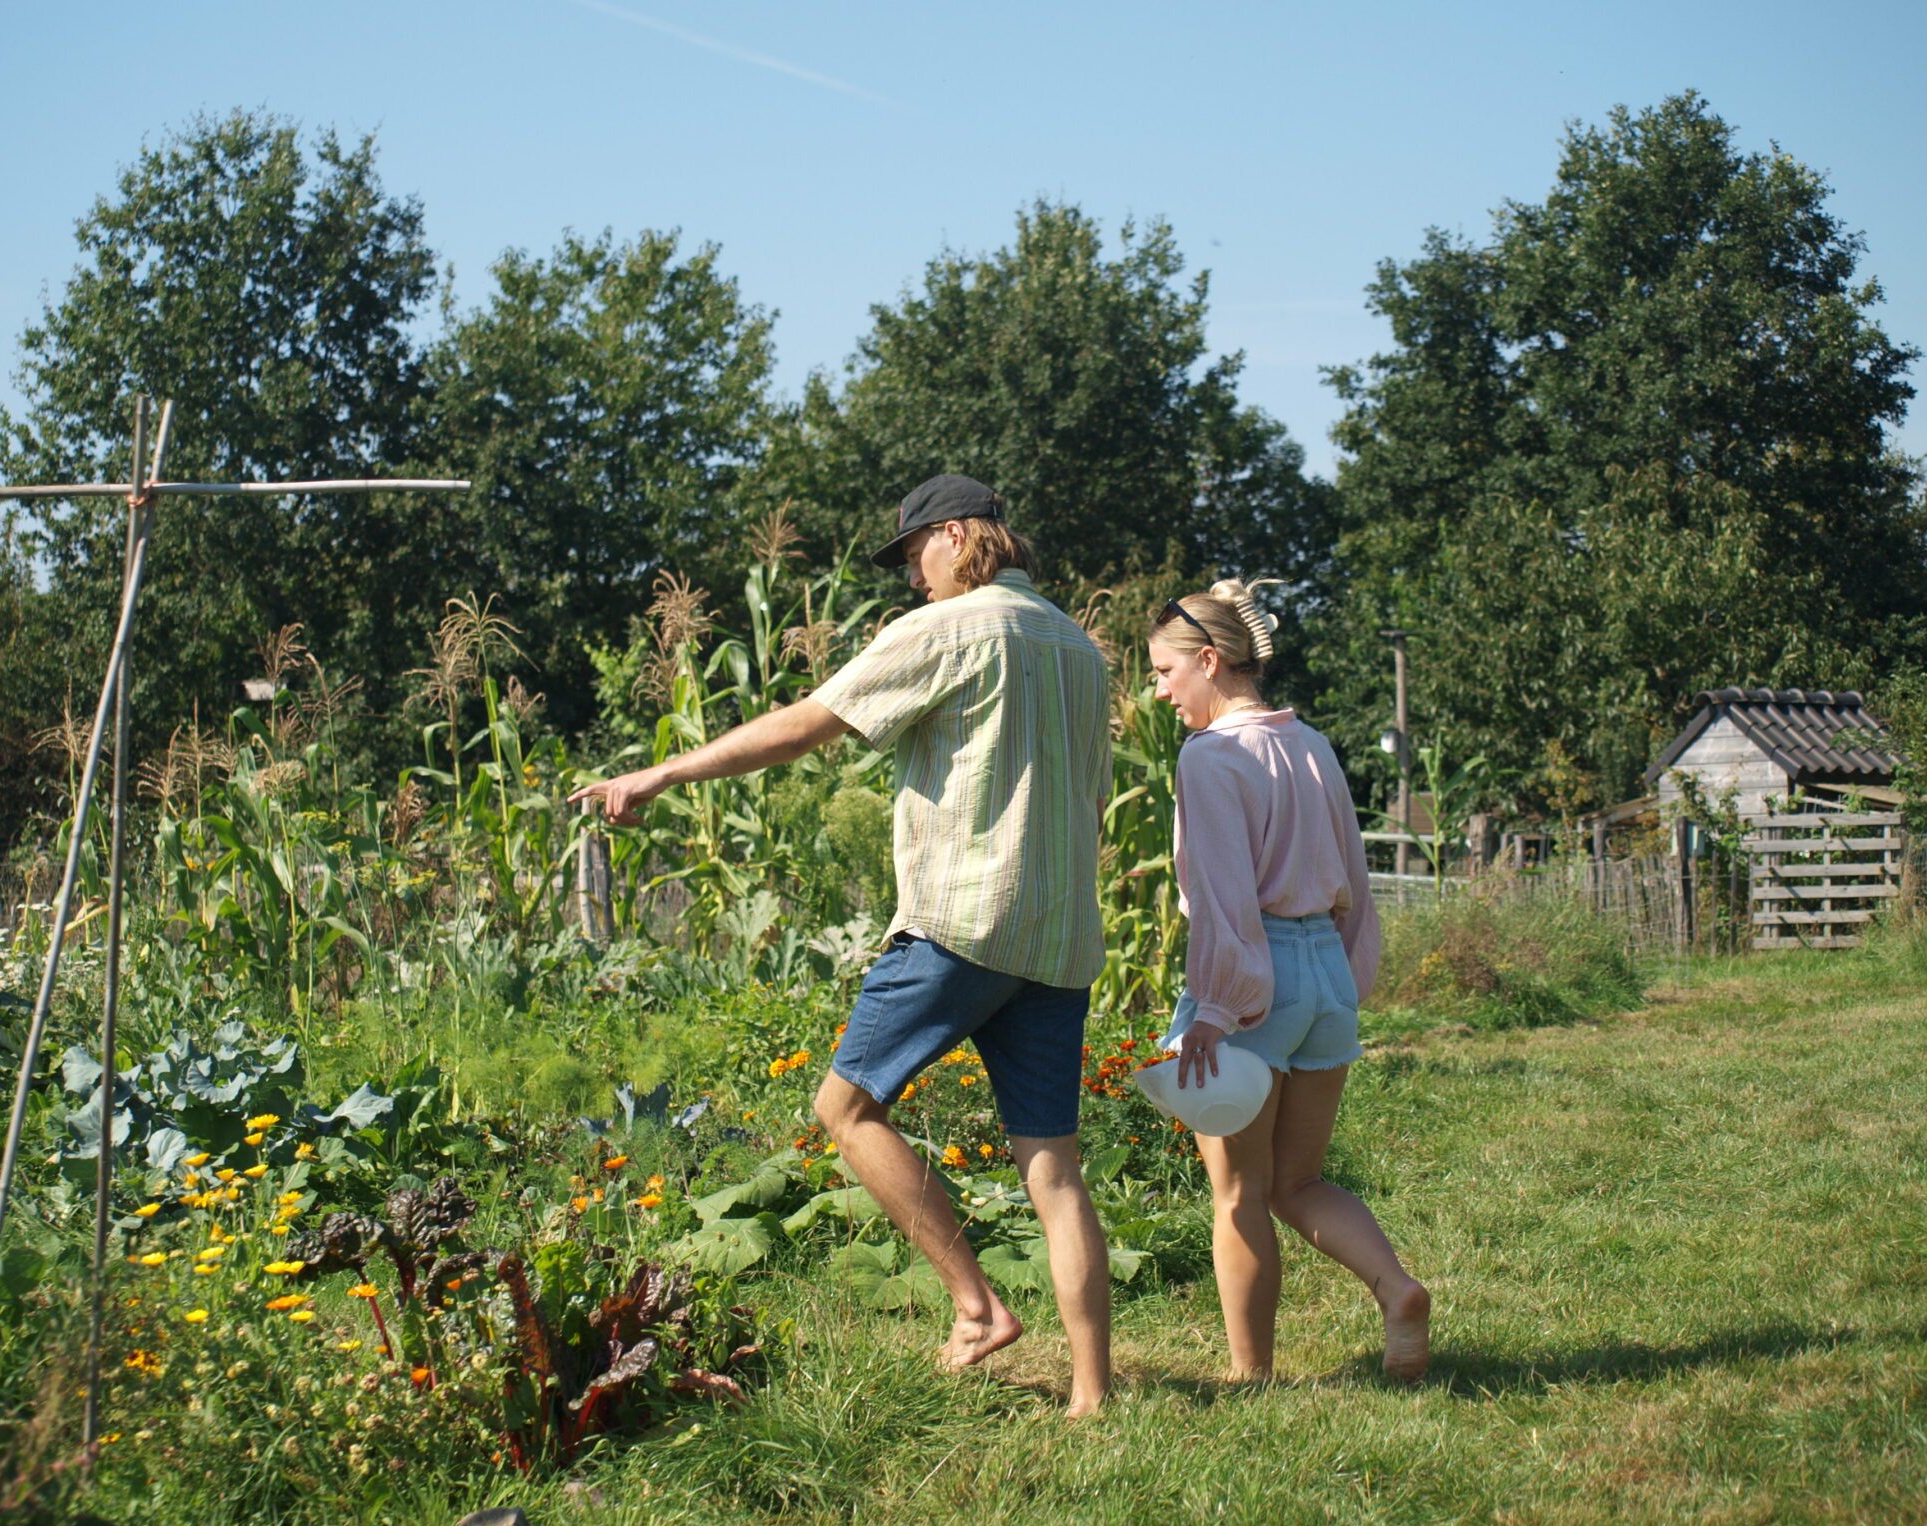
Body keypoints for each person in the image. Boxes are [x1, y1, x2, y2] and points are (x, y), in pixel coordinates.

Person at [571, 474, 1115, 1416]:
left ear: (955, 536)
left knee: (846, 1108)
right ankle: (1094, 1395)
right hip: (1061, 937)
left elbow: (806, 724)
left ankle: (977, 1307)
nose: (913, 578)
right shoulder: (1077, 645)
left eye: (914, 555)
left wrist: (664, 770)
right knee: (1054, 1169)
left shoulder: (950, 629)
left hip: (960, 920)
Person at [1148, 578, 1430, 1384]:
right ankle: (1395, 1287)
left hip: (1254, 979)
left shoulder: (1211, 757)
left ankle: (1252, 1374)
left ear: (1209, 660)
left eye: (1166, 672)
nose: (1159, 691)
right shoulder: (1311, 743)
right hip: (1326, 975)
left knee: (1238, 1193)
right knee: (1300, 1180)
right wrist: (1345, 978)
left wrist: (1213, 1010)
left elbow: (1223, 900)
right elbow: (1355, 876)